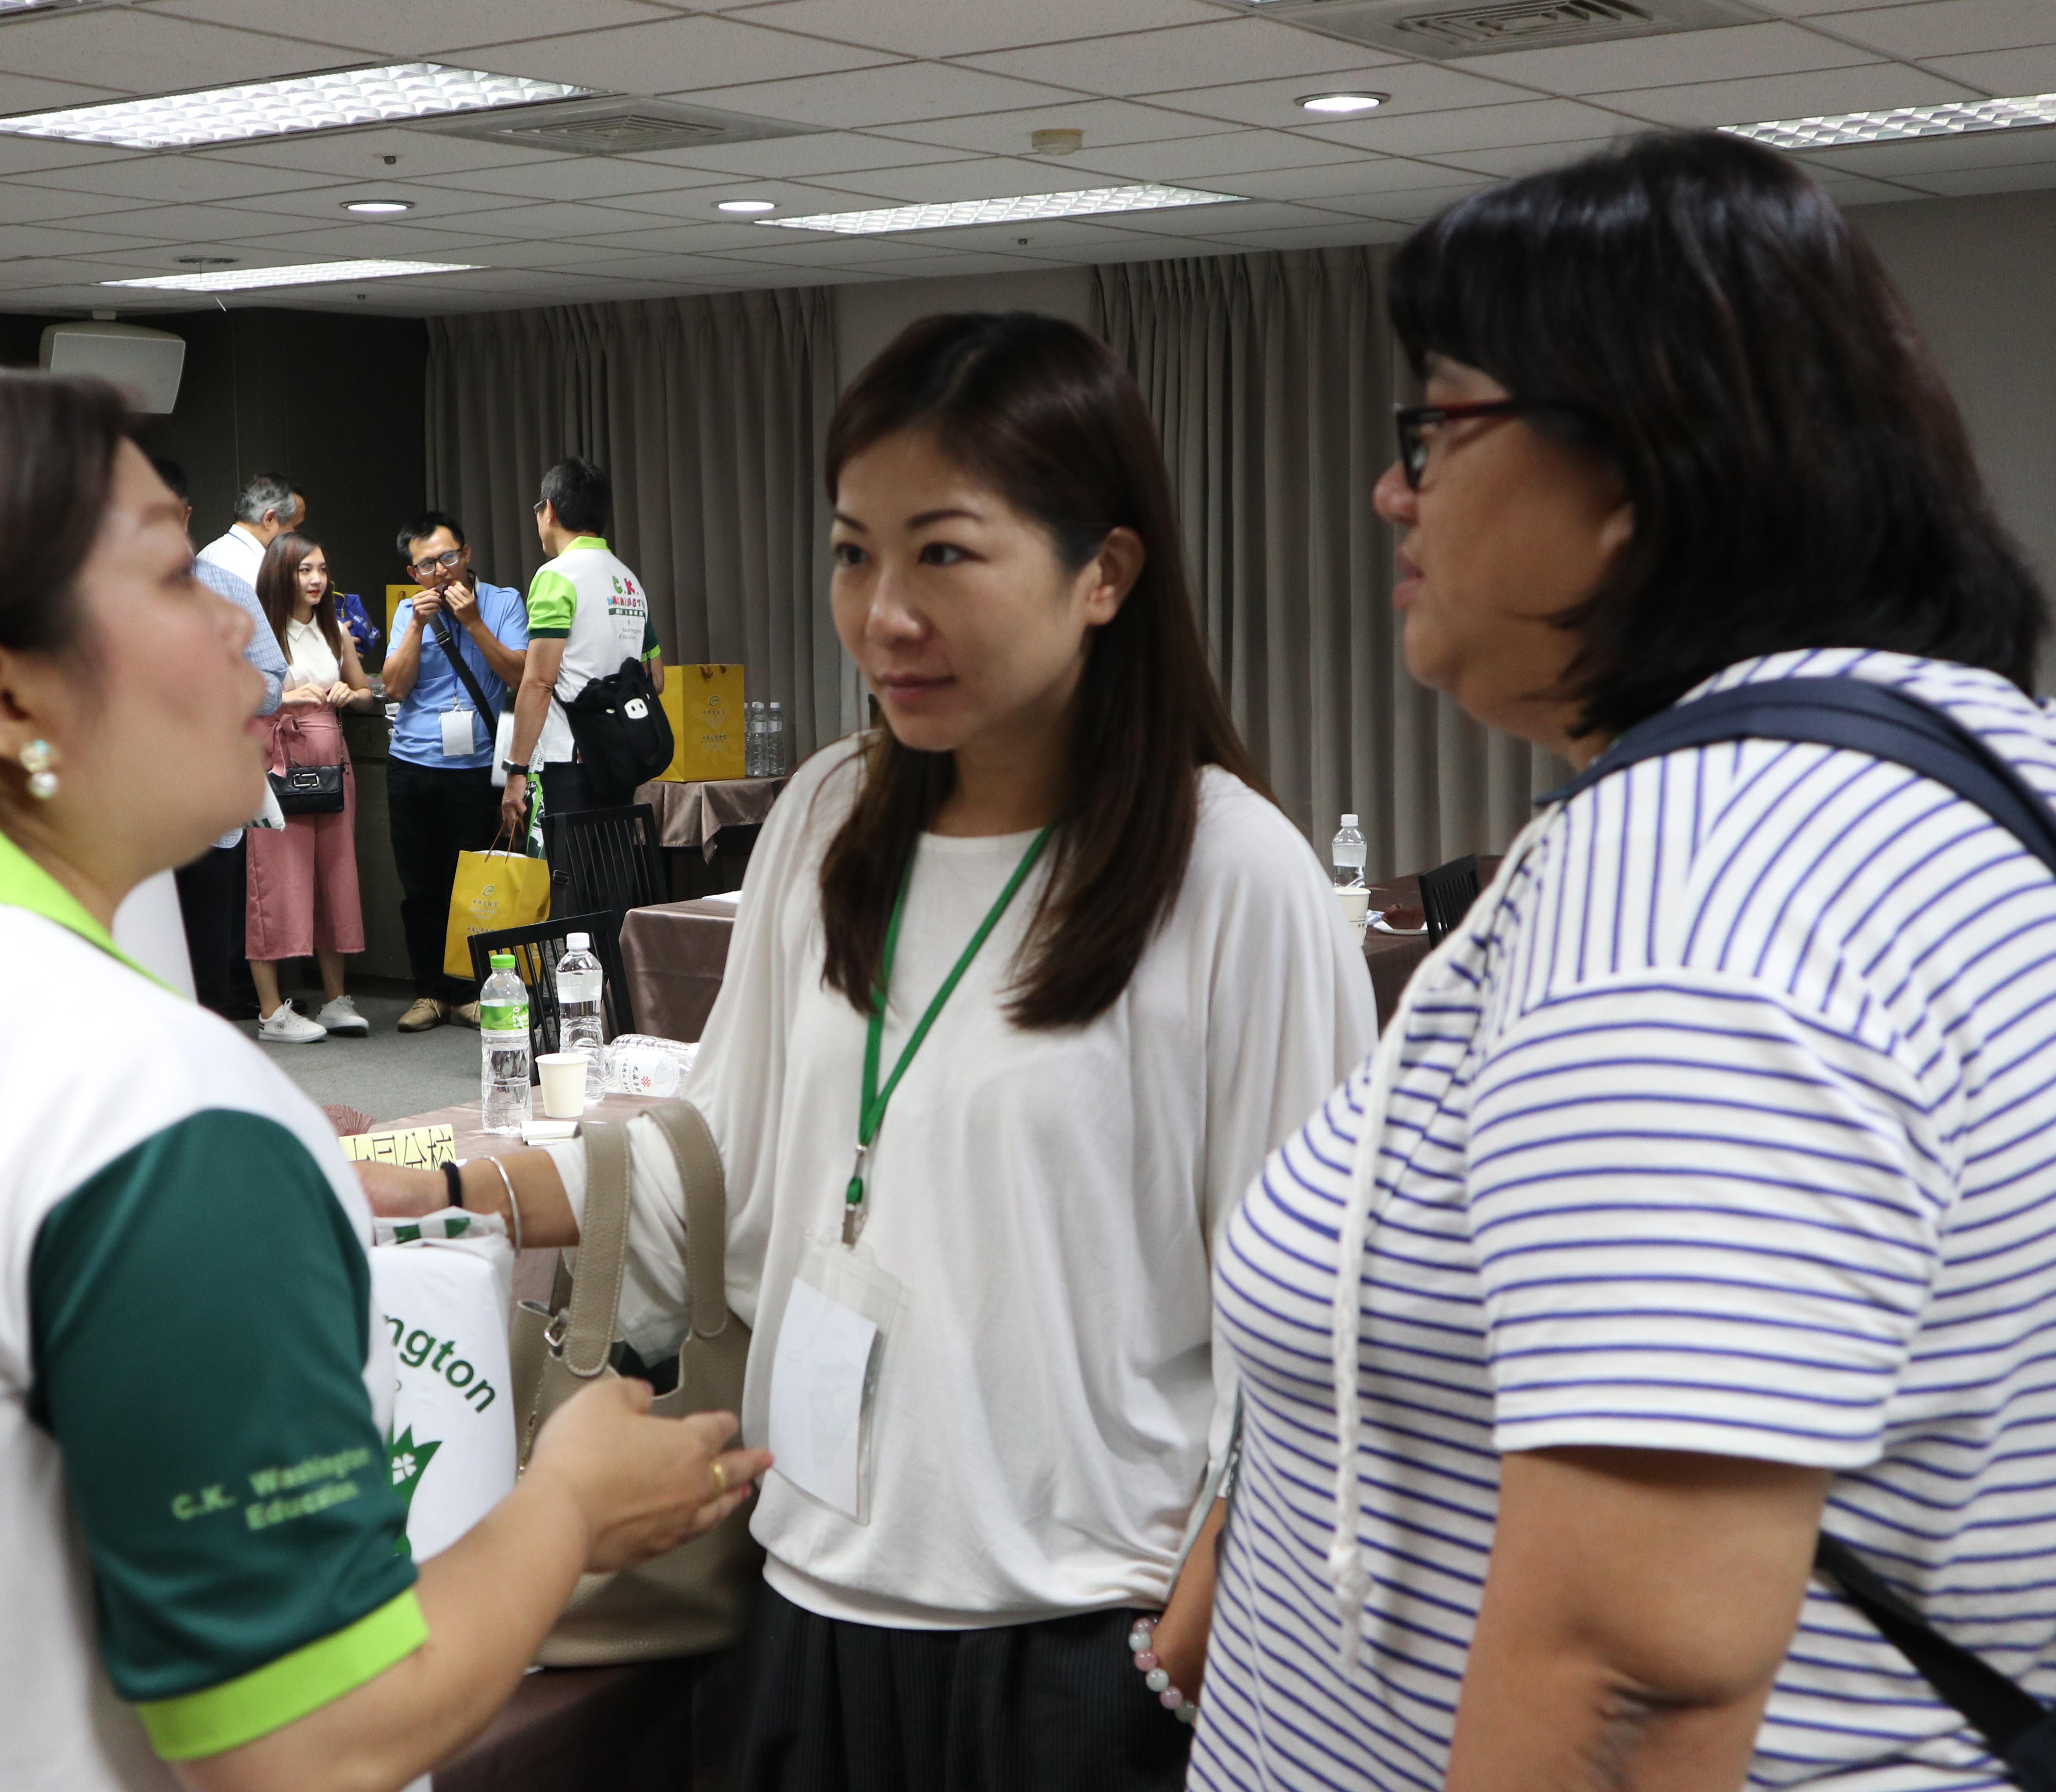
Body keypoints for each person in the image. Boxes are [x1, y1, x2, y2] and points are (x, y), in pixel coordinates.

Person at [0, 361, 764, 1792]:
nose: (247, 635)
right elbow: (318, 1738)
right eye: (180, 579)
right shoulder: (134, 1105)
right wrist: (567, 1508)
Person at [1198, 132, 2056, 1792]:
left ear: (1637, 464)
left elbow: (1634, 1666)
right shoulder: (1991, 763)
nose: (1393, 491)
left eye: (1439, 428)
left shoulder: (1696, 884)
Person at [370, 313, 1374, 1787]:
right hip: (810, 1605)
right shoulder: (832, 819)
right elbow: (718, 1169)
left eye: (945, 554)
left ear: (1106, 571)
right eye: (854, 554)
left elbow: (1326, 1332)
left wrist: (1182, 1652)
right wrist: (449, 1184)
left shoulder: (1230, 874)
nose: (886, 613)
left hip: (1079, 1644)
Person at [152, 454, 286, 1020]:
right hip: (127, 814)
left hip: (209, 806)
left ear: (185, 515)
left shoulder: (228, 590)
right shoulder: (93, 594)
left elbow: (273, 681)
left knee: (206, 966)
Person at [382, 510, 527, 1033]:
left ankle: (471, 991)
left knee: (473, 886)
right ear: (413, 572)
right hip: (411, 766)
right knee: (420, 886)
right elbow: (394, 687)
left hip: (475, 768)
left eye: (448, 557)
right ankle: (430, 993)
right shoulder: (409, 611)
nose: (440, 571)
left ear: (466, 555)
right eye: (427, 564)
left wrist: (473, 623)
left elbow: (519, 674)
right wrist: (417, 625)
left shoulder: (503, 602)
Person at [246, 530, 377, 1043]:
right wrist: (284, 697)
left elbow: (365, 694)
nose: (317, 579)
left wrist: (348, 691)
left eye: (322, 569)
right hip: (277, 762)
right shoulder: (258, 633)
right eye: (305, 570)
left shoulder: (334, 630)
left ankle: (336, 999)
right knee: (276, 882)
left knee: (335, 876)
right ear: (283, 574)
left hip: (331, 763)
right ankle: (271, 1012)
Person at [500, 457, 661, 833]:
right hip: (621, 757)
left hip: (569, 759)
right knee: (614, 865)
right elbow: (656, 678)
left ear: (550, 511)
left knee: (571, 868)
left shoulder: (556, 576)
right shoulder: (629, 581)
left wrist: (516, 770)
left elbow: (539, 682)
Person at [195, 469, 302, 590]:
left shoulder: (205, 555)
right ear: (270, 519)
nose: (297, 537)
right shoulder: (260, 572)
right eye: (295, 527)